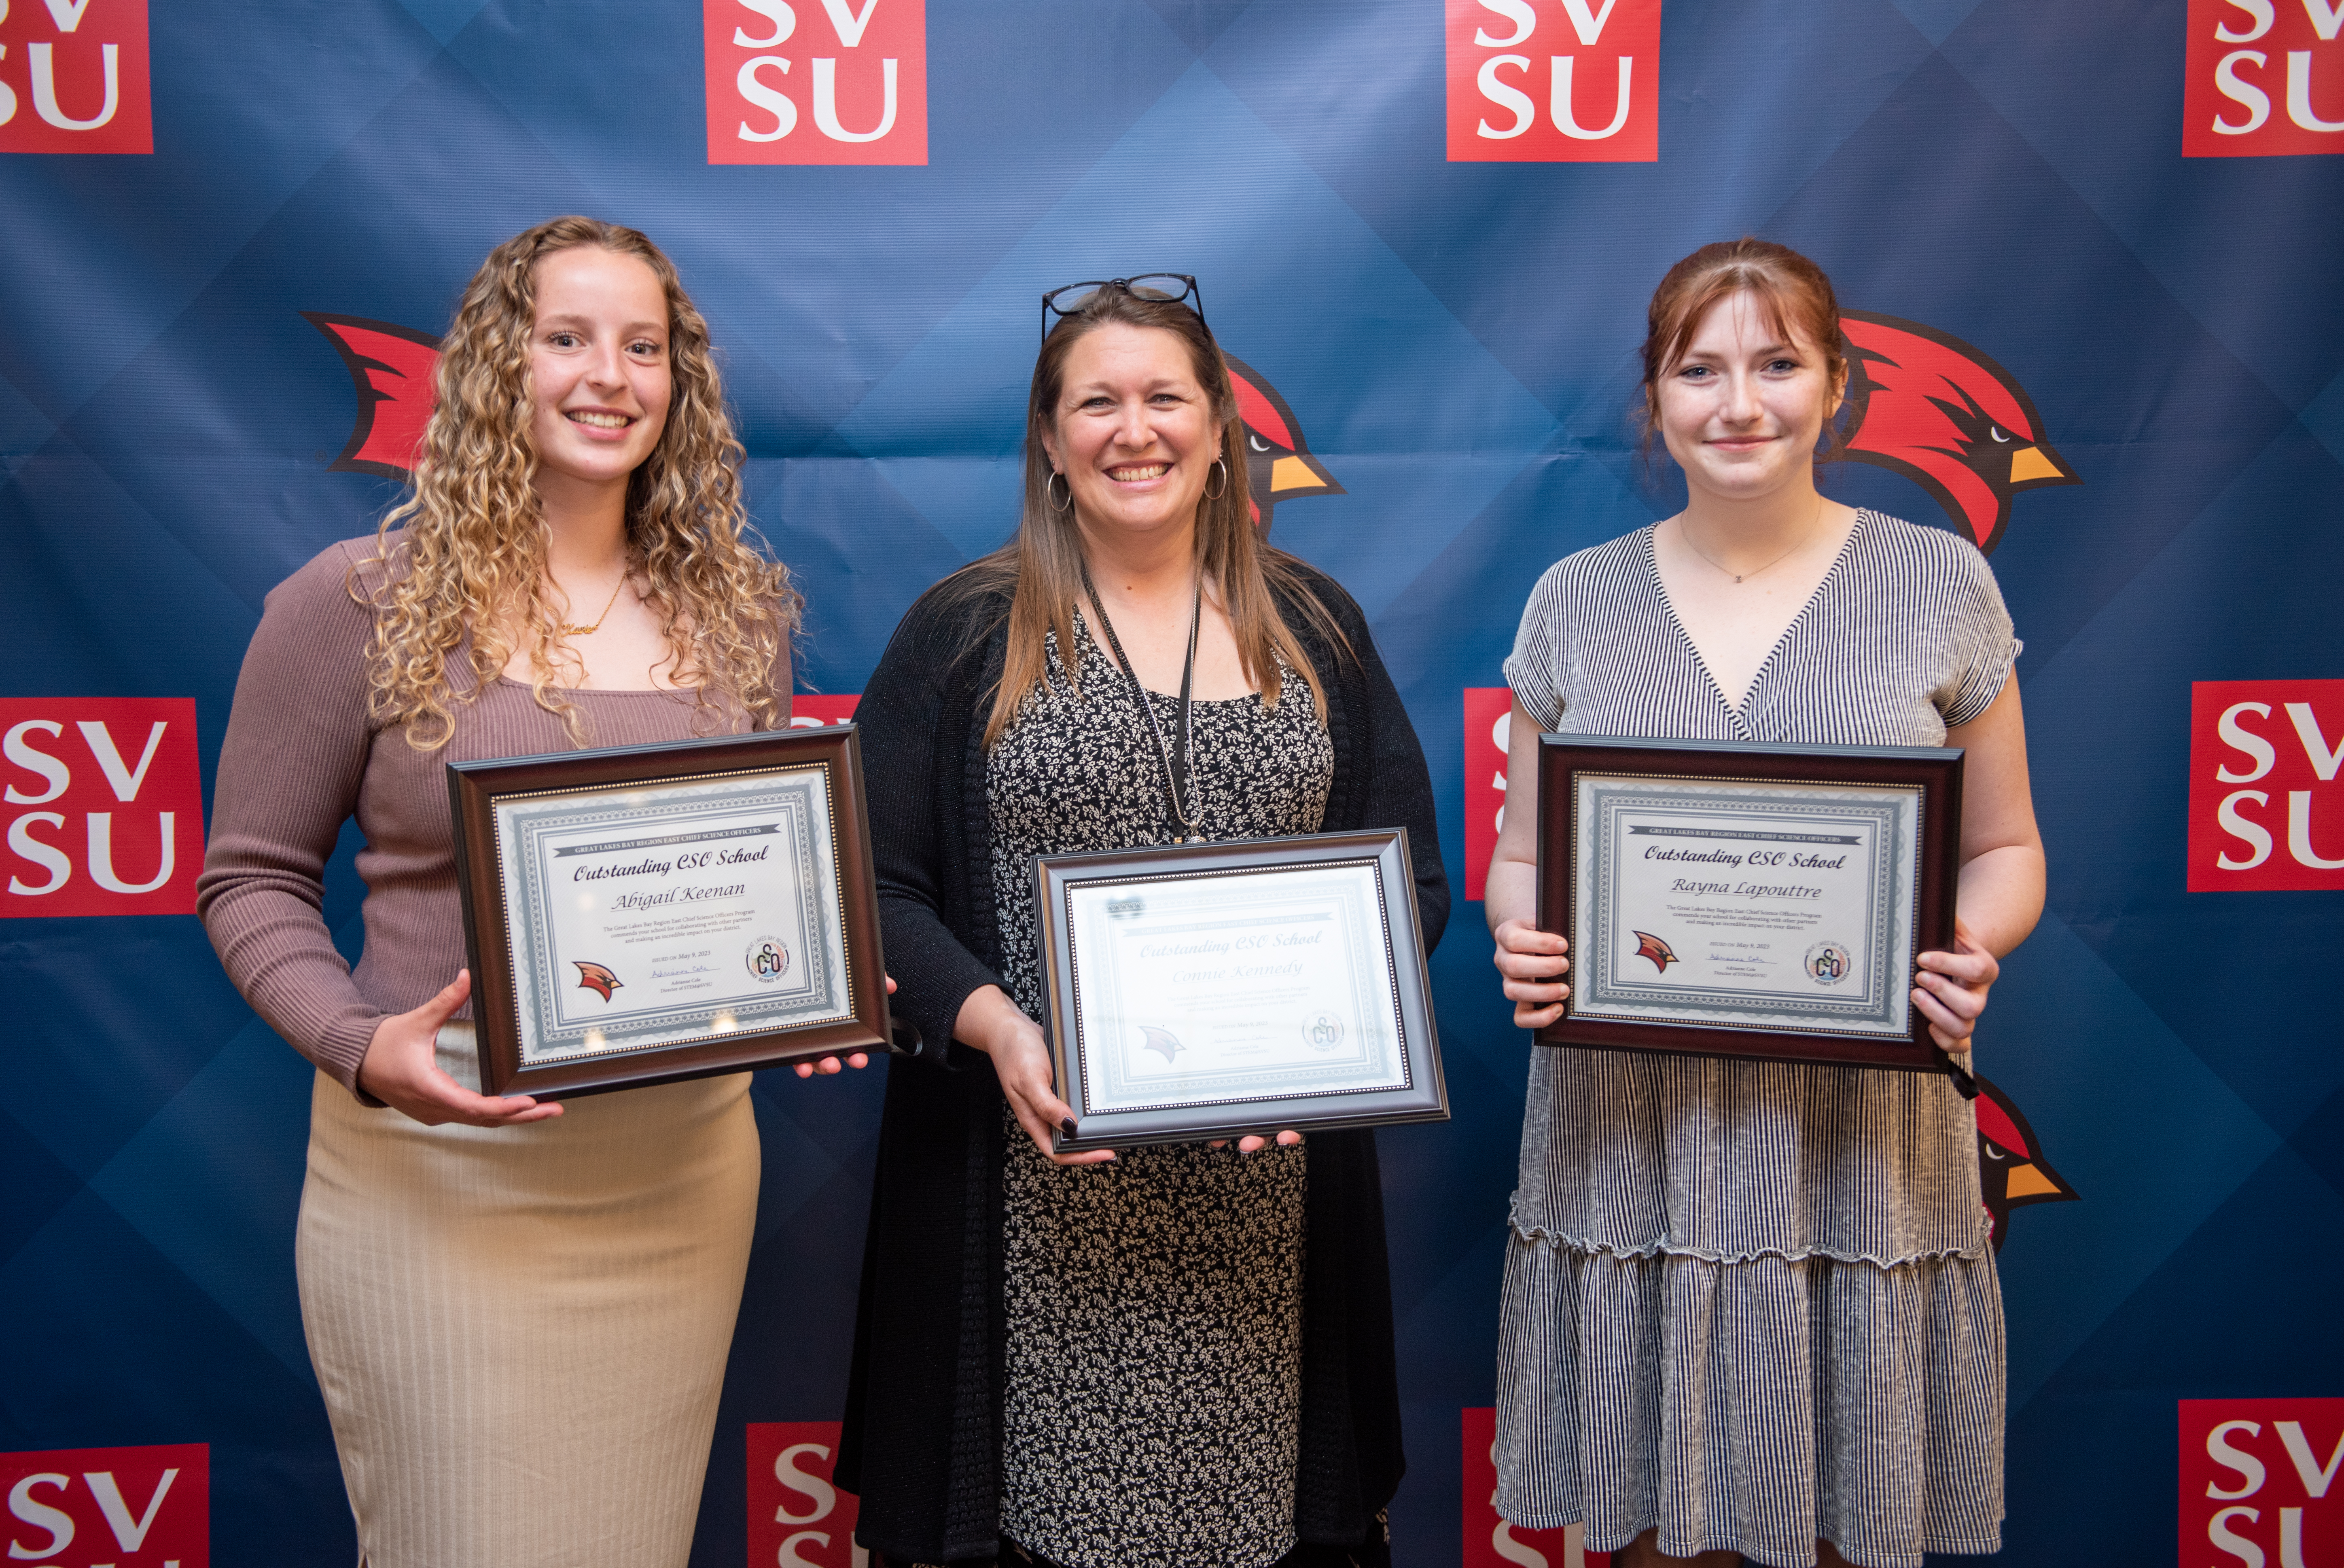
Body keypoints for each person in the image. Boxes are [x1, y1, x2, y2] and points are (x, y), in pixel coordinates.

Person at [198, 216, 864, 1568]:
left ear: (681, 383)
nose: (609, 376)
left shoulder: (739, 615)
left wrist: (812, 977)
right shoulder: (357, 602)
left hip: (681, 1168)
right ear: (499, 364)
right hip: (444, 1163)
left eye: (644, 346)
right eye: (568, 338)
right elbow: (250, 878)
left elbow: (744, 874)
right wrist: (358, 1043)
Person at [834, 276, 1448, 1568]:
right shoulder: (963, 633)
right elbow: (872, 886)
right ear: (1050, 440)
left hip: (1272, 1197)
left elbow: (1410, 884)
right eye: (1096, 403)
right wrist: (997, 1028)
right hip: (1025, 1181)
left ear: (1222, 429)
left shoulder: (1317, 627)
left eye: (1166, 397)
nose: (1134, 430)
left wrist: (1327, 1054)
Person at [1483, 239, 2045, 1568]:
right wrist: (1524, 936)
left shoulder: (1940, 583)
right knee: (1649, 1527)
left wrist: (1969, 943)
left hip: (1857, 1133)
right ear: (1655, 399)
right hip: (1634, 1130)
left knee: (1849, 1512)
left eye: (1778, 364)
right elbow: (1522, 854)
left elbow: (2007, 847)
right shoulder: (1576, 600)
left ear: (1838, 386)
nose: (1740, 404)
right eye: (1701, 371)